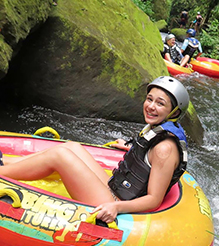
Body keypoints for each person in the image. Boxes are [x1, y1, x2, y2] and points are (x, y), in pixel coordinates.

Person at [0, 77, 189, 224]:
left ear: (175, 112)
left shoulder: (165, 149)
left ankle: (1, 174)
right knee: (72, 147)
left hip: (115, 200)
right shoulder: (157, 131)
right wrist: (129, 147)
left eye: (160, 103)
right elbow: (145, 158)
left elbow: (153, 200)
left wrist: (116, 207)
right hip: (115, 187)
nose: (151, 106)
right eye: (149, 99)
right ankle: (5, 162)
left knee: (60, 156)